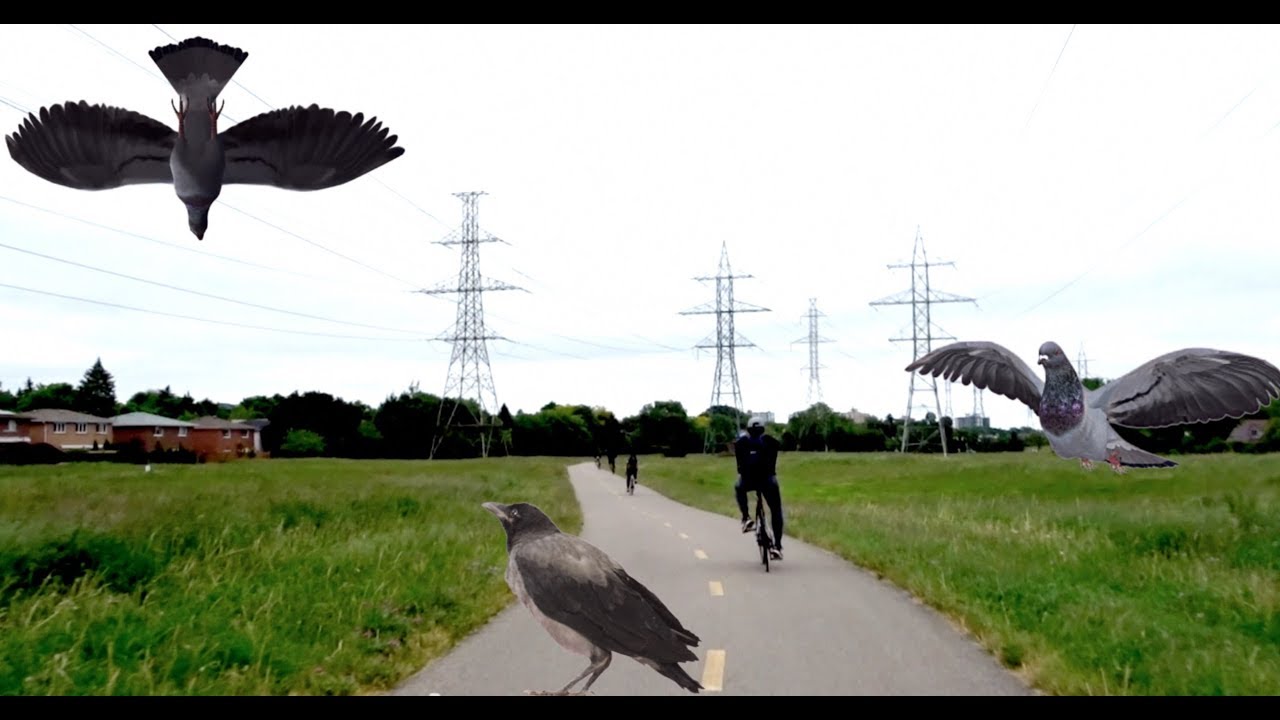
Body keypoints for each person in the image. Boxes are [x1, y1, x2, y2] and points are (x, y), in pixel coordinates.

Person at [734, 416, 784, 560]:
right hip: (768, 481)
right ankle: (777, 546)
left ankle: (746, 518)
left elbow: (739, 468)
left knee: (738, 487)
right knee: (776, 511)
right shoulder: (771, 442)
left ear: (748, 429)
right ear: (763, 428)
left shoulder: (741, 443)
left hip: (748, 481)